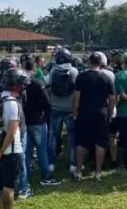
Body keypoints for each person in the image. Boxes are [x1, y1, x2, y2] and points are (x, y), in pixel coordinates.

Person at [0, 68, 31, 209]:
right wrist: (1, 151)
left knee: (0, 187)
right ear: (16, 85)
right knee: (9, 188)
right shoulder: (13, 102)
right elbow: (12, 131)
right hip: (11, 151)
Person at [73, 52, 116, 182]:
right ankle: (98, 172)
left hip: (84, 112)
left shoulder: (81, 77)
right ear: (101, 63)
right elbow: (112, 98)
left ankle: (79, 171)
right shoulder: (107, 77)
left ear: (89, 62)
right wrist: (110, 112)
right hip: (101, 113)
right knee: (100, 143)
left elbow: (76, 97)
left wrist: (75, 111)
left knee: (81, 142)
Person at [23, 60, 60, 186]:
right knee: (42, 150)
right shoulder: (38, 83)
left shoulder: (20, 83)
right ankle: (45, 177)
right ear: (34, 70)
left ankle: (25, 178)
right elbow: (47, 102)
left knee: (26, 152)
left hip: (24, 121)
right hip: (38, 120)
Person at [48, 48, 78, 177]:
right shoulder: (74, 71)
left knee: (54, 136)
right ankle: (72, 163)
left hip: (55, 108)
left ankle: (51, 163)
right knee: (72, 137)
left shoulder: (53, 71)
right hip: (70, 109)